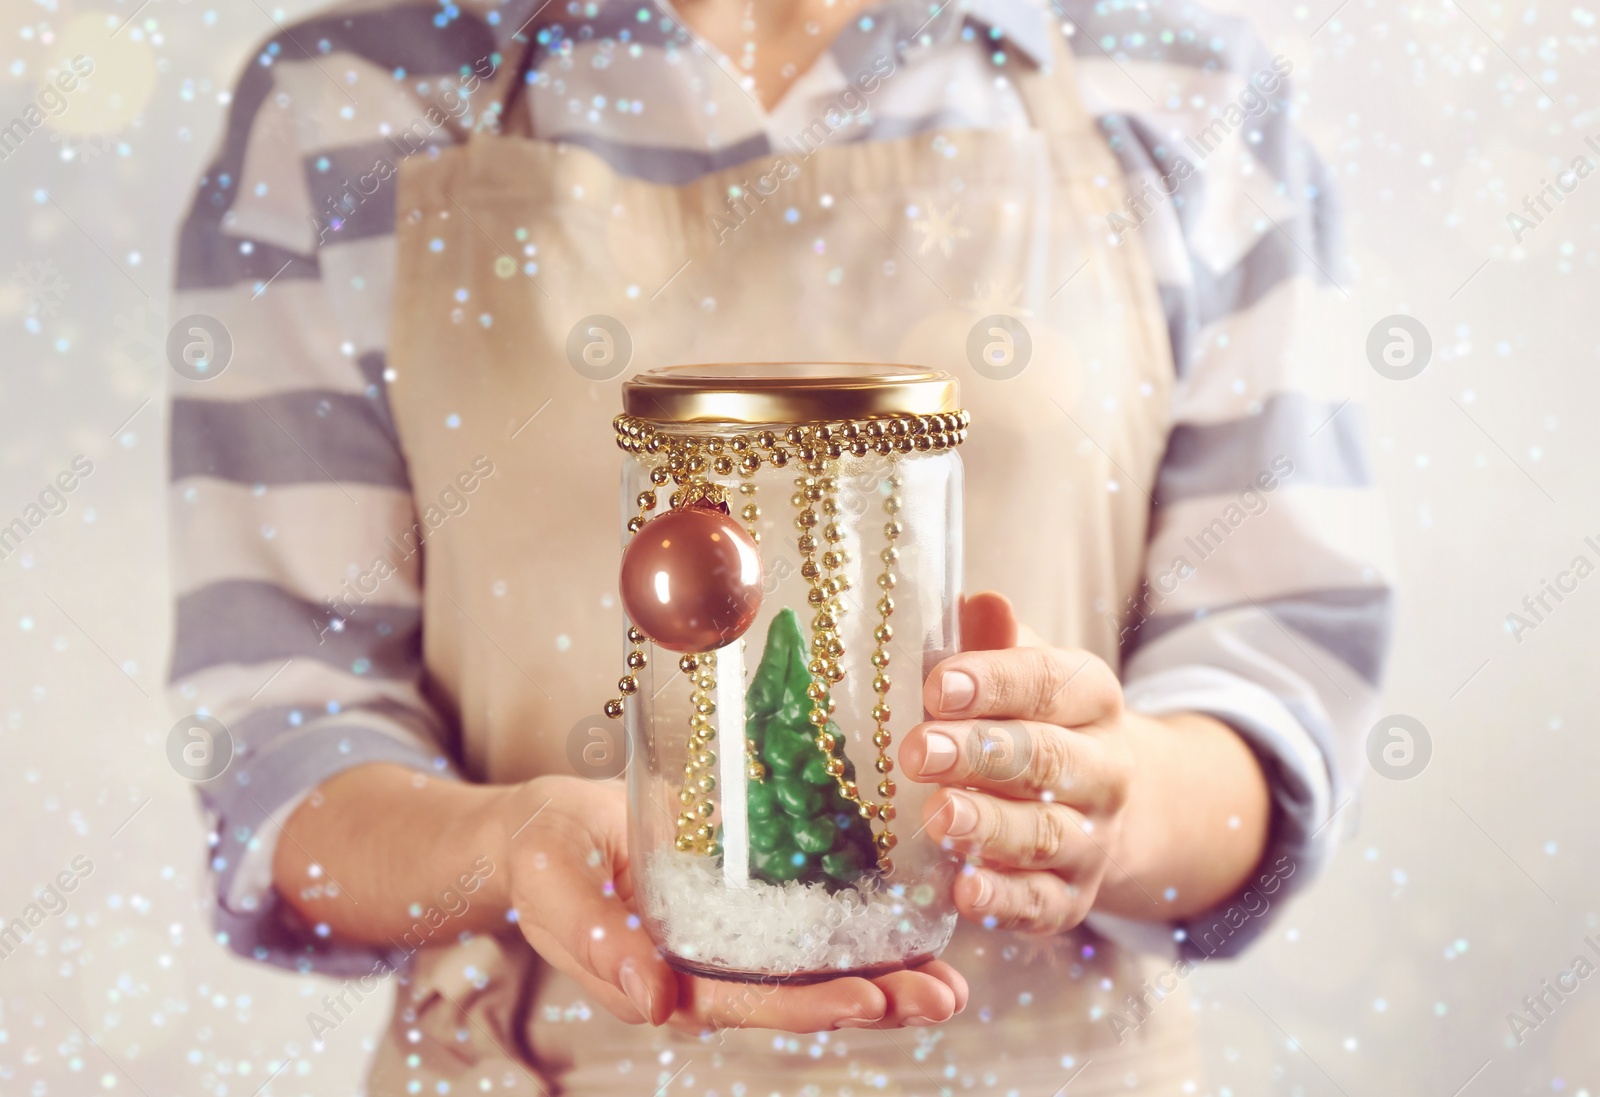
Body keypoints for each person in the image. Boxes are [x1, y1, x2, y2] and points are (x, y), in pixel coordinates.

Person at [167, 0, 1392, 1091]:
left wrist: (1107, 808)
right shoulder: (346, 100)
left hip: (1046, 1063)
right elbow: (282, 738)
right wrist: (504, 845)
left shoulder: (1187, 86)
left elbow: (1273, 676)